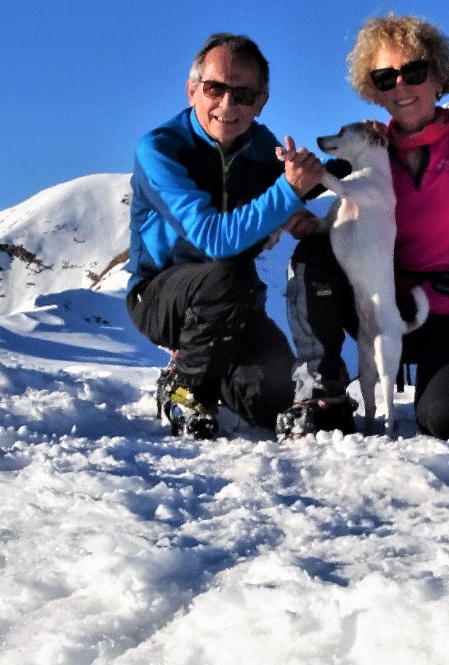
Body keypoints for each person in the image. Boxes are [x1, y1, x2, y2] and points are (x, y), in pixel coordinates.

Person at [281, 14, 449, 440]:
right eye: (385, 77)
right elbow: (309, 196)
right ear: (374, 90)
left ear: (438, 77)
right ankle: (322, 391)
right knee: (312, 258)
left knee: (448, 423)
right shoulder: (366, 147)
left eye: (414, 71)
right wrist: (294, 195)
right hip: (377, 308)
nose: (401, 86)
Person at [126, 32, 328, 439]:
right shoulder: (160, 149)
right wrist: (287, 192)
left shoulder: (262, 147)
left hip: (235, 305)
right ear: (192, 90)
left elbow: (281, 210)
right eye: (215, 88)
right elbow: (213, 239)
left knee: (272, 398)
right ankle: (186, 387)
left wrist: (299, 210)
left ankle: (204, 366)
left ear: (262, 100)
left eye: (244, 94)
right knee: (225, 271)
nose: (227, 105)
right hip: (161, 297)